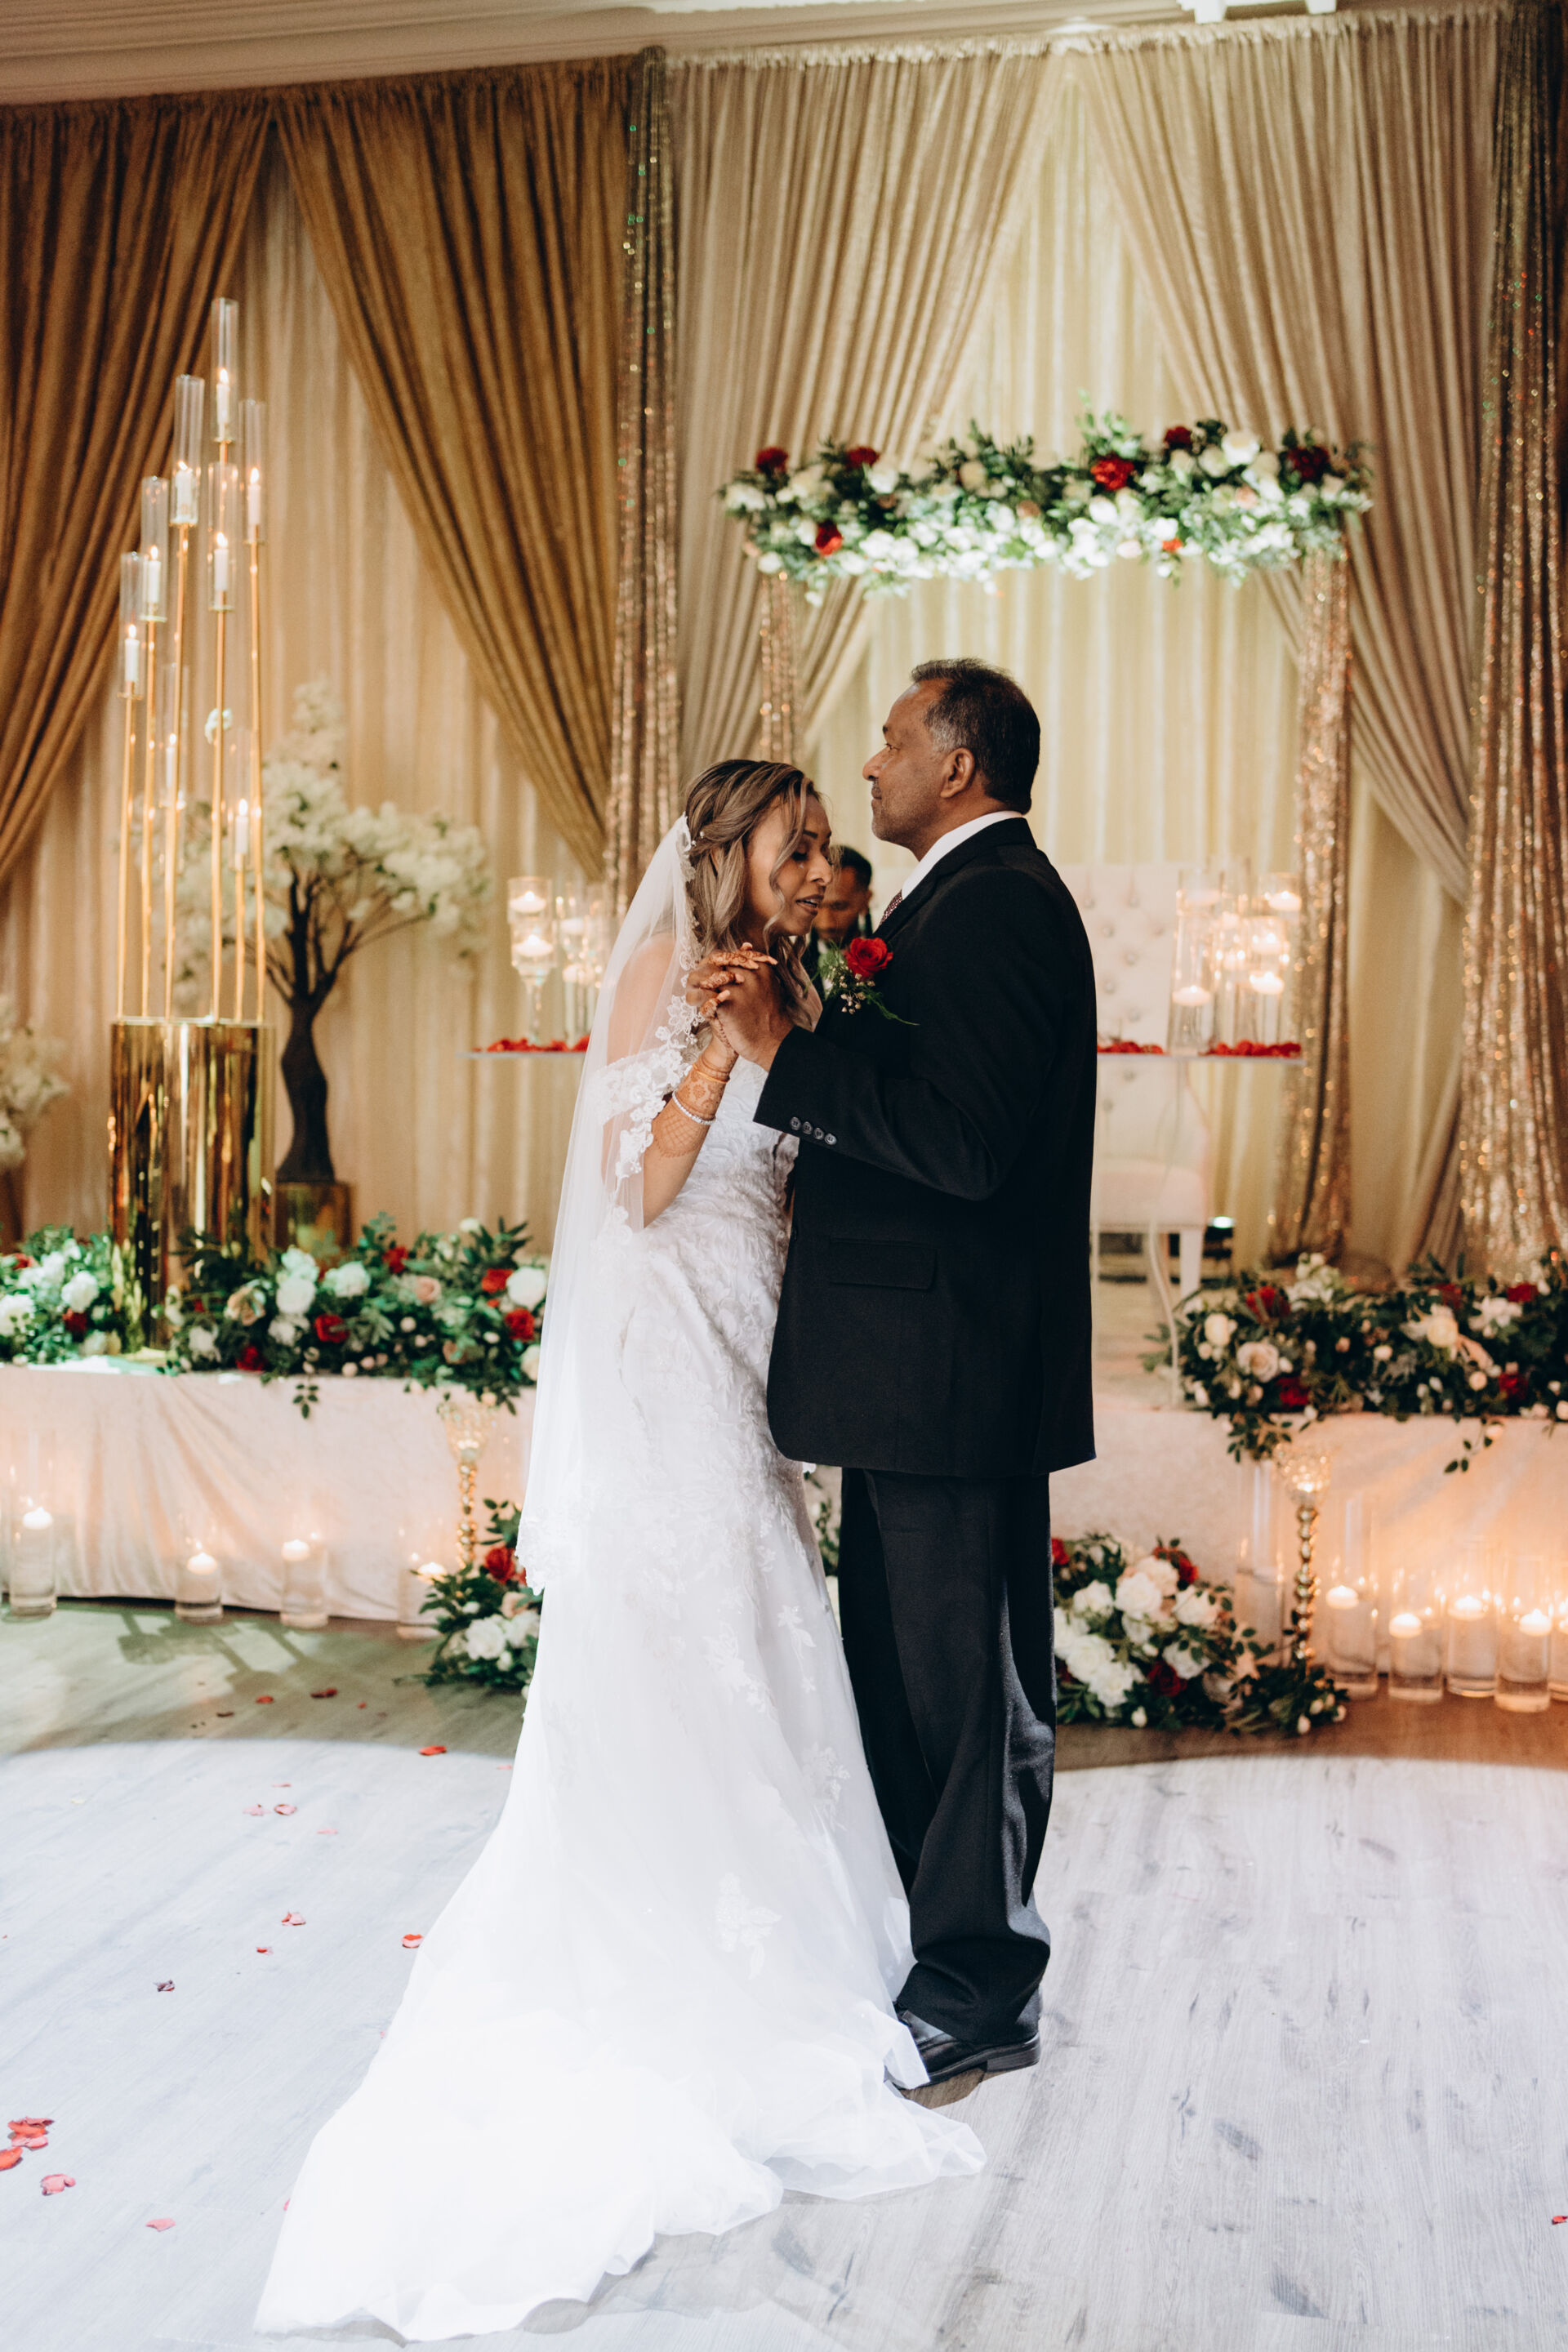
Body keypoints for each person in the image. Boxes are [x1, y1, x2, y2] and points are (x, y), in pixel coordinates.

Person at [256, 761, 982, 2344]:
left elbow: (804, 1186)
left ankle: (787, 1920)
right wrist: (725, 1052)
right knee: (683, 1609)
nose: (818, 866)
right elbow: (634, 1189)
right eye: (795, 844)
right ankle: (661, 1920)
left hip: (750, 1343)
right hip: (664, 1350)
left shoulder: (800, 985)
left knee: (760, 1613)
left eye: (823, 848)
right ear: (728, 852)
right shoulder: (665, 971)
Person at [702, 659, 1096, 2090]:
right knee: (919, 1685)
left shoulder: (998, 909)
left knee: (965, 1697)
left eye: (890, 741)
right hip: (913, 1371)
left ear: (956, 764)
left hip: (951, 1373)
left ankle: (983, 1985)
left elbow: (967, 1148)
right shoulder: (950, 904)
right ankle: (942, 1953)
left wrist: (783, 1055)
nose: (870, 767)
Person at [803, 844, 874, 984]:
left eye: (839, 907)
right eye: (816, 904)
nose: (826, 924)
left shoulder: (893, 962)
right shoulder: (790, 969)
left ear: (866, 900)